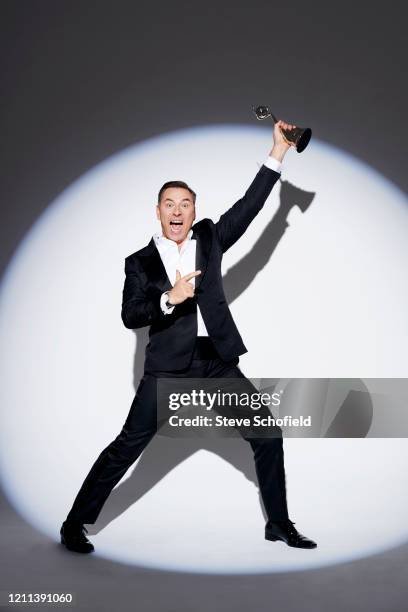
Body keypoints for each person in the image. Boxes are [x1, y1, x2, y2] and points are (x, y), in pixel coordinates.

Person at [60, 120, 317, 553]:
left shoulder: (210, 238)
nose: (177, 211)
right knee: (126, 448)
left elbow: (248, 207)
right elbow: (130, 315)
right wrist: (170, 297)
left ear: (194, 212)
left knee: (267, 435)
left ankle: (278, 523)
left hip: (215, 360)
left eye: (185, 204)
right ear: (157, 212)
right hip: (166, 370)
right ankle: (74, 524)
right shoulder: (139, 263)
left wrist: (278, 152)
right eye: (169, 204)